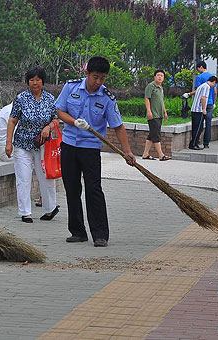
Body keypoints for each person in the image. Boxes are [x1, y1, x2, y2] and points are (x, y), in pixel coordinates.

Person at [55, 56, 136, 247]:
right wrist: (74, 121)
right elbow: (59, 110)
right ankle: (77, 232)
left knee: (94, 190)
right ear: (87, 73)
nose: (98, 82)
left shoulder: (107, 98)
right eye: (95, 77)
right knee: (72, 188)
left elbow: (118, 126)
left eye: (102, 78)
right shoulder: (71, 87)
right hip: (69, 145)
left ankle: (100, 234)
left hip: (90, 149)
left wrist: (127, 152)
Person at [5, 67, 59, 223]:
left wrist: (48, 127)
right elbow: (12, 120)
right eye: (31, 80)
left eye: (38, 79)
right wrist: (8, 143)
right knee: (23, 178)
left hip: (43, 145)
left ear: (43, 81)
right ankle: (25, 212)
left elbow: (56, 118)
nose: (35, 83)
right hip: (23, 144)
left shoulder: (49, 98)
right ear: (27, 82)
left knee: (46, 177)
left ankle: (50, 209)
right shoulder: (21, 98)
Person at [183, 61, 216, 148]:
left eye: (198, 69)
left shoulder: (200, 77)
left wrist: (189, 94)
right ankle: (206, 143)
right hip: (208, 104)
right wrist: (213, 102)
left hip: (201, 105)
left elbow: (198, 91)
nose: (198, 71)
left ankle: (195, 141)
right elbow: (214, 92)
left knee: (198, 125)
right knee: (206, 124)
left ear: (201, 67)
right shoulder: (211, 79)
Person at [142, 70, 170, 161]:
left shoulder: (160, 88)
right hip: (153, 115)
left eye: (162, 76)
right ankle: (161, 155)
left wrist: (165, 112)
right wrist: (149, 111)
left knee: (152, 135)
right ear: (154, 77)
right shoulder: (151, 86)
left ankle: (145, 154)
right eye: (158, 75)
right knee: (156, 135)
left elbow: (161, 101)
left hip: (159, 114)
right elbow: (146, 99)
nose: (160, 77)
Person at [188, 76, 218, 149]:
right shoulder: (207, 87)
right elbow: (203, 98)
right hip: (199, 110)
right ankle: (194, 144)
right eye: (215, 84)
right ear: (213, 82)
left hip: (194, 109)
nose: (214, 86)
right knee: (199, 128)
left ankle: (193, 143)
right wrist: (204, 109)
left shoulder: (202, 85)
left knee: (196, 127)